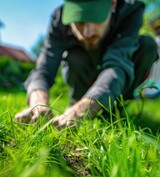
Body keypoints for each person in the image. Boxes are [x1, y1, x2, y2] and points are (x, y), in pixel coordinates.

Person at [15, 0, 158, 128]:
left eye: (95, 19)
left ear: (113, 3)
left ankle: (114, 108)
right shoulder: (59, 18)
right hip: (82, 78)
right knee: (75, 55)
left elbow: (117, 66)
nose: (87, 33)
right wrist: (38, 104)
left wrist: (80, 111)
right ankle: (77, 100)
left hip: (116, 83)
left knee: (147, 45)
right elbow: (44, 68)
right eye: (79, 22)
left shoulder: (130, 12)